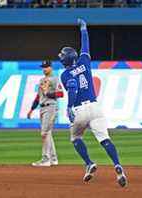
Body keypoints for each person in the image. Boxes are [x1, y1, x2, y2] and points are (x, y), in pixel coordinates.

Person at [59, 18, 128, 187]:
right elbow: (85, 46)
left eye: (61, 55)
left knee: (75, 138)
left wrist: (69, 107)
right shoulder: (84, 62)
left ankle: (89, 163)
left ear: (65, 60)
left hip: (80, 109)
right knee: (105, 139)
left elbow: (73, 88)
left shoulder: (65, 75)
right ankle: (117, 165)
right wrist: (84, 29)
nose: (60, 57)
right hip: (96, 107)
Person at [27, 60, 64, 167]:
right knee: (48, 133)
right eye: (43, 67)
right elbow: (39, 96)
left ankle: (45, 159)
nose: (44, 69)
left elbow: (61, 94)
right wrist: (32, 109)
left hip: (51, 107)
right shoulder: (42, 80)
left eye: (46, 67)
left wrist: (49, 93)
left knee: (44, 133)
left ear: (51, 68)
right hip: (42, 108)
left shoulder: (55, 79)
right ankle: (53, 159)